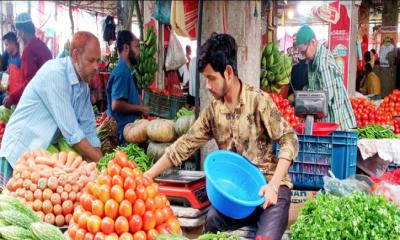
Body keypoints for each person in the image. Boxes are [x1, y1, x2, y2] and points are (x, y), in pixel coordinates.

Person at [145, 33, 299, 239]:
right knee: (211, 224)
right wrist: (147, 176)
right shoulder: (212, 112)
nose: (207, 86)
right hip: (235, 196)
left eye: (211, 78)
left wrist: (273, 185)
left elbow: (289, 139)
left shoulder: (258, 101)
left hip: (269, 190)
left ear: (228, 72)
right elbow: (184, 145)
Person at [0, 31, 103, 185]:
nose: (96, 67)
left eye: (98, 61)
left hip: (39, 158)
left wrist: (100, 164)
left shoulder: (83, 86)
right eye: (91, 60)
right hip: (19, 151)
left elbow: (88, 127)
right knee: (10, 204)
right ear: (75, 55)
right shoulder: (56, 74)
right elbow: (73, 133)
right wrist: (102, 162)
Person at [295, 25, 356, 130]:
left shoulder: (323, 63)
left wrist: (303, 105)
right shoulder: (313, 59)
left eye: (304, 52)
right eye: (301, 53)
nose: (304, 56)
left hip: (336, 125)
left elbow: (326, 97)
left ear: (313, 42)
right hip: (325, 122)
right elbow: (315, 86)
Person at [106, 30, 148, 143]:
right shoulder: (122, 72)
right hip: (124, 134)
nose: (139, 51)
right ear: (126, 47)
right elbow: (116, 105)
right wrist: (141, 108)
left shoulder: (127, 71)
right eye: (137, 46)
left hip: (129, 132)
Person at [2, 12, 52, 108]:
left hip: (34, 98)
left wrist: (12, 97)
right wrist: (4, 85)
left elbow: (30, 80)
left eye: (7, 44)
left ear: (22, 32)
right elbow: (7, 74)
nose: (6, 48)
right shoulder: (41, 45)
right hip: (39, 95)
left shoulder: (27, 50)